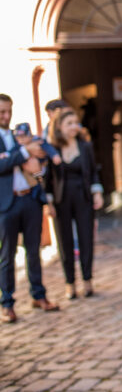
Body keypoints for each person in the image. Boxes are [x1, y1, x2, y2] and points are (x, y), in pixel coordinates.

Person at [0, 94, 59, 323]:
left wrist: (37, 168)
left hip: (30, 200)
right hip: (6, 204)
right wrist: (24, 153)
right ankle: (7, 303)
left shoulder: (21, 135)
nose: (6, 116)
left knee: (34, 250)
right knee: (7, 255)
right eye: (2, 112)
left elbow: (40, 159)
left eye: (8, 111)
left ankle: (38, 295)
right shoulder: (23, 145)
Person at [44, 109, 104, 299]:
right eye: (69, 123)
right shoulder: (52, 149)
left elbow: (93, 172)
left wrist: (97, 192)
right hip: (61, 199)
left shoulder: (85, 146)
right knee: (65, 241)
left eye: (75, 123)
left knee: (86, 238)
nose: (74, 127)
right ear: (59, 127)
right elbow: (47, 179)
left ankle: (87, 279)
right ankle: (69, 282)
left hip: (83, 196)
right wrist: (48, 202)